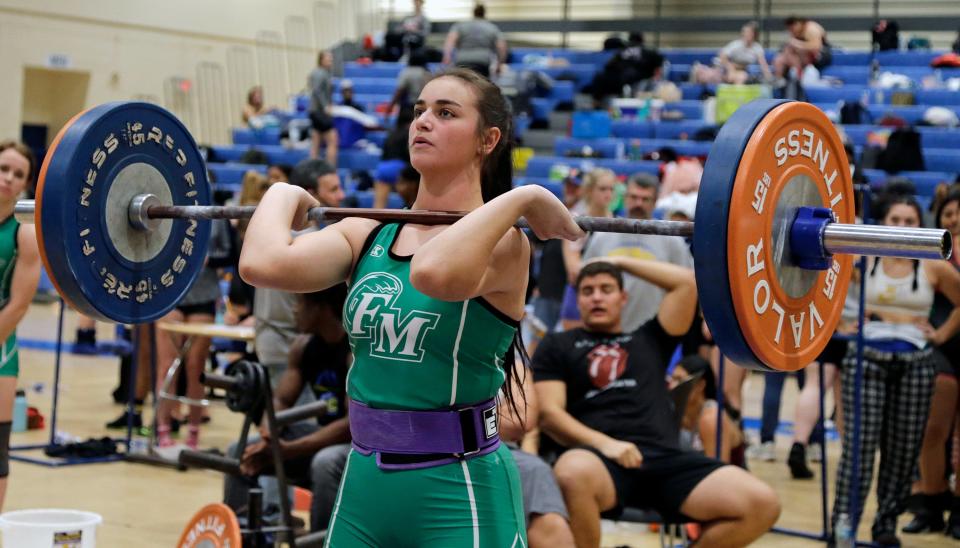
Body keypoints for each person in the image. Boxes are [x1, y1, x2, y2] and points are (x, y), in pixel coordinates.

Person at [240, 67, 582, 546]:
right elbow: (261, 264)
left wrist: (523, 197)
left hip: (460, 489)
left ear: (488, 140)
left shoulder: (506, 244)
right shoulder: (367, 234)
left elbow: (433, 273)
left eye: (445, 113)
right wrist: (283, 192)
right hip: (364, 482)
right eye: (419, 111)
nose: (422, 122)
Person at [534, 258, 780, 548]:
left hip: (665, 458)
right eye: (587, 291)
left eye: (606, 289)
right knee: (571, 471)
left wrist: (617, 261)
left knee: (762, 503)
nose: (597, 296)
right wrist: (605, 444)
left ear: (623, 298)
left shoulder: (649, 338)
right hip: (600, 462)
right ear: (578, 300)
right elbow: (549, 414)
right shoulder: (558, 345)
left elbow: (686, 283)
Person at [831, 193, 960, 547]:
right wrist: (840, 324)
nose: (902, 227)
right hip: (866, 357)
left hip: (916, 362)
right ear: (882, 223)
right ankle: (844, 526)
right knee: (857, 449)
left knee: (902, 451)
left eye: (910, 221)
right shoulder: (864, 255)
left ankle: (885, 525)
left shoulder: (933, 262)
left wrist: (940, 335)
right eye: (895, 220)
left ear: (921, 226)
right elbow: (825, 286)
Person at [224, 288, 352, 532]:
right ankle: (242, 536)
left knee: (325, 463)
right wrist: (266, 438)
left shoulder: (353, 351)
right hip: (324, 438)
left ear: (321, 308)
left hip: (355, 448)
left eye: (300, 303)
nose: (294, 309)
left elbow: (351, 425)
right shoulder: (302, 346)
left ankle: (321, 542)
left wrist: (288, 450)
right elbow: (280, 401)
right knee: (239, 451)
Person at [252, 159, 345, 389]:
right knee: (296, 423)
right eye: (333, 189)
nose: (341, 196)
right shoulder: (307, 237)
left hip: (277, 341)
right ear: (310, 194)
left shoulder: (277, 233)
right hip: (286, 344)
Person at [903, 189, 960, 538]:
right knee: (932, 433)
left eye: (959, 213)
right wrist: (938, 336)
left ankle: (958, 510)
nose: (953, 219)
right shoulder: (931, 251)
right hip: (939, 351)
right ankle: (931, 503)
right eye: (947, 213)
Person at [154, 216, 234, 449]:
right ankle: (163, 429)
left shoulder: (217, 217)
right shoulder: (169, 209)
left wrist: (207, 258)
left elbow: (230, 254)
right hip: (170, 291)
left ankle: (193, 431)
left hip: (204, 295)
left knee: (196, 366)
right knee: (168, 365)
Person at [577, 173, 694, 332]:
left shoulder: (671, 241)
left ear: (655, 202)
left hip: (653, 332)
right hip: (606, 331)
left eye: (645, 199)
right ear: (625, 198)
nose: (638, 203)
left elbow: (688, 285)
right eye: (634, 197)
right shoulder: (602, 236)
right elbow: (585, 278)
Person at [0, 141, 41, 510]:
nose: (8, 179)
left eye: (18, 175)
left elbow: (19, 304)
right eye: (3, 169)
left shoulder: (24, 233)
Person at [558, 168, 616, 330]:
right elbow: (573, 269)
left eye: (611, 189)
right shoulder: (577, 219)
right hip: (581, 291)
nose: (608, 194)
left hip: (606, 292)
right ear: (590, 191)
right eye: (603, 189)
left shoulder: (614, 219)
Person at [670, 355, 745, 465]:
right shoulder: (680, 413)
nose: (672, 386)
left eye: (679, 380)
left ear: (700, 385)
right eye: (672, 379)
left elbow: (718, 472)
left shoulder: (712, 418)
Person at [692, 22, 772, 85]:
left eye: (748, 32)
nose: (745, 34)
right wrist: (731, 69)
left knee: (741, 77)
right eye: (744, 32)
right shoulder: (736, 44)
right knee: (701, 74)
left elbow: (763, 65)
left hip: (738, 71)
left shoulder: (757, 48)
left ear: (754, 34)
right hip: (722, 67)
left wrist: (769, 78)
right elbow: (722, 55)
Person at [443, 3, 507, 78]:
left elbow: (450, 41)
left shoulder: (460, 25)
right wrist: (500, 64)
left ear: (473, 13)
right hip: (482, 62)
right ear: (484, 13)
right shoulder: (492, 27)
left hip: (462, 61)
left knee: (462, 85)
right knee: (481, 87)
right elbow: (501, 46)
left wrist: (447, 56)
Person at [774, 16, 832, 81]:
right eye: (790, 29)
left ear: (797, 24)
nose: (791, 32)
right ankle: (779, 79)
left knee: (794, 50)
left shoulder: (811, 29)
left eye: (792, 29)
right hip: (802, 59)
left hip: (822, 55)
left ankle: (798, 75)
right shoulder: (795, 32)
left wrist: (798, 44)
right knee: (779, 59)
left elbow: (816, 47)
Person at [308, 51, 338, 166]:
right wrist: (325, 105)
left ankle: (313, 170)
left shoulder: (322, 73)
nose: (330, 60)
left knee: (316, 141)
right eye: (328, 58)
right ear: (321, 60)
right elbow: (317, 90)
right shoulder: (320, 73)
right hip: (319, 112)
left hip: (315, 111)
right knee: (332, 140)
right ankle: (330, 169)